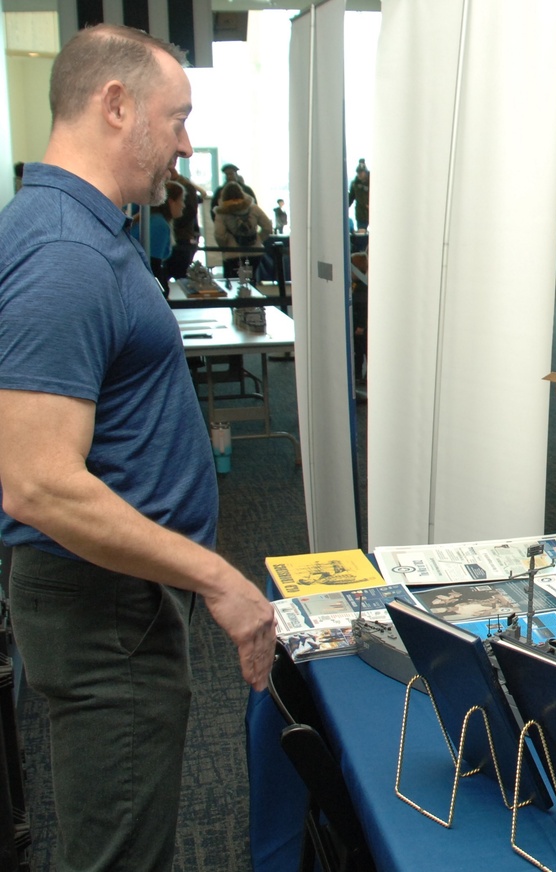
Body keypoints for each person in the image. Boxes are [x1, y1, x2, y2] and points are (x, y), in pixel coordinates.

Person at [0, 24, 276, 871]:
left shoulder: (78, 225)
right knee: (119, 854)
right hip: (101, 604)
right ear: (115, 105)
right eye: (178, 117)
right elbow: (38, 485)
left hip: (118, 593)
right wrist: (219, 576)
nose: (187, 145)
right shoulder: (64, 251)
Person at [214, 179, 273, 278]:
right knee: (251, 281)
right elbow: (268, 227)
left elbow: (219, 235)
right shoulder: (254, 208)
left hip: (233, 253)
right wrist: (259, 239)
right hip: (255, 252)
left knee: (234, 284)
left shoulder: (222, 213)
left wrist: (225, 246)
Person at [164, 166, 205, 279]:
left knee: (180, 275)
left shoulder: (184, 187)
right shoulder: (176, 185)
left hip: (182, 238)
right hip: (179, 236)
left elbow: (190, 211)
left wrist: (173, 223)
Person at [349, 159, 370, 230]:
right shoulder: (355, 184)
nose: (359, 174)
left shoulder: (373, 182)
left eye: (361, 172)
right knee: (362, 235)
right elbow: (350, 198)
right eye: (358, 172)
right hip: (361, 216)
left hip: (373, 214)